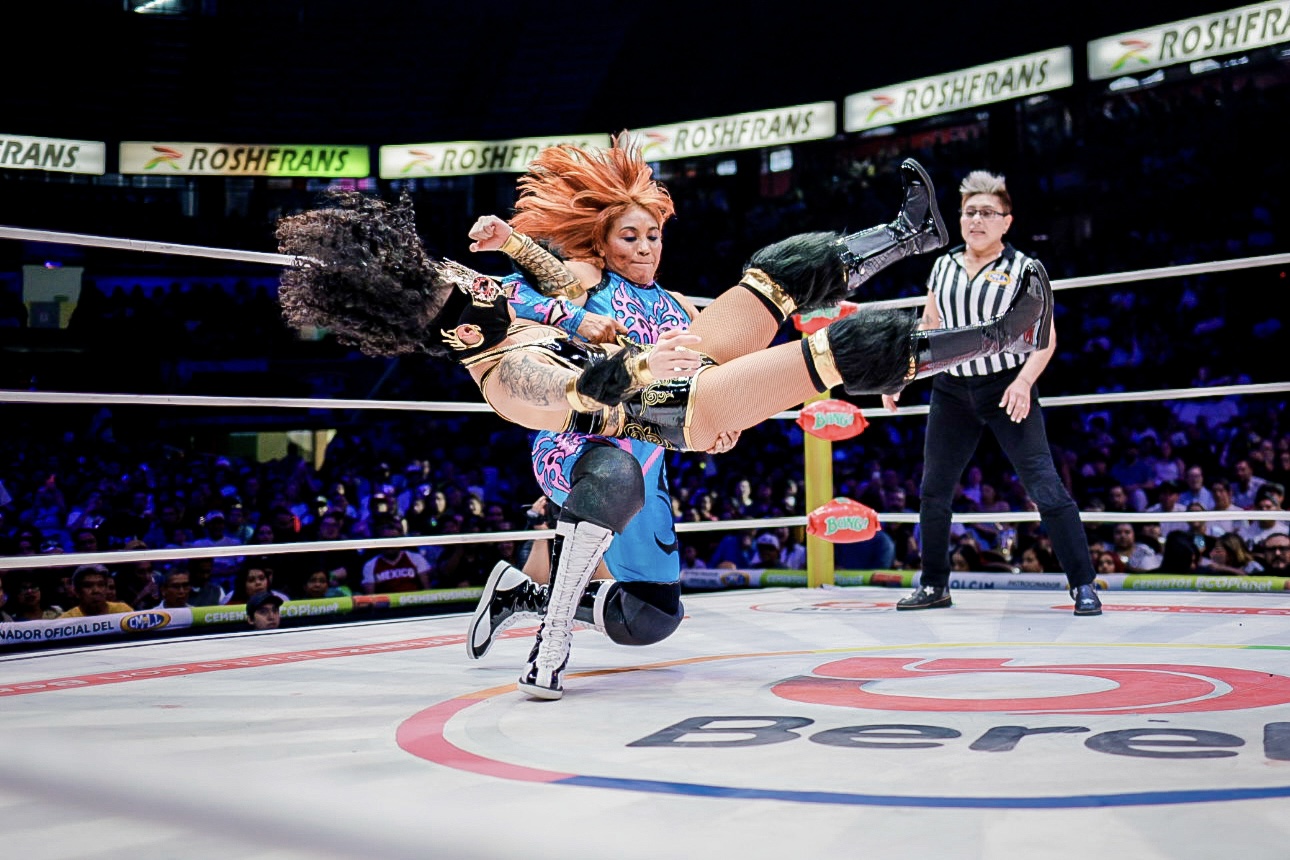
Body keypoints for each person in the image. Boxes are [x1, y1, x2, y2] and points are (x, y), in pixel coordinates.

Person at [276, 150, 1053, 698]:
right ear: (461, 328)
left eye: (653, 234)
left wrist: (516, 248)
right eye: (474, 288)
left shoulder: (518, 307)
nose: (486, 283)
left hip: (667, 398)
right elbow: (580, 389)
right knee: (828, 356)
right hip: (608, 434)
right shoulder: (508, 372)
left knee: (775, 278)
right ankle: (998, 335)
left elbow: (549, 289)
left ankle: (912, 234)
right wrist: (649, 365)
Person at [882, 169, 1101, 616]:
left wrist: (1024, 382)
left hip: (1005, 386)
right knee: (933, 489)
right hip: (951, 389)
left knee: (1044, 484)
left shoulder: (1024, 270)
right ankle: (934, 584)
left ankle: (1083, 584)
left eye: (987, 212)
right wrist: (900, 376)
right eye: (969, 212)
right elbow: (930, 328)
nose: (976, 220)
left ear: (1006, 221)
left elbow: (1046, 338)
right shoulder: (943, 266)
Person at [58, 564, 134, 618]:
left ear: (106, 589)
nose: (96, 591)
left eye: (101, 585)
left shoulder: (122, 611)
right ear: (77, 592)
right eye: (88, 586)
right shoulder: (67, 619)